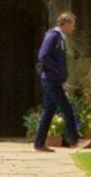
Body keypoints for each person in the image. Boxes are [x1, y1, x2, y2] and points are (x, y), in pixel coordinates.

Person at [32, 10, 83, 151]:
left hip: (53, 79)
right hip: (50, 79)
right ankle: (74, 140)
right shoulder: (53, 36)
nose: (74, 27)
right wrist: (58, 70)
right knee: (67, 108)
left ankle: (39, 143)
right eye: (72, 24)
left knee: (49, 110)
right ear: (65, 23)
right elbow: (43, 56)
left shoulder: (60, 38)